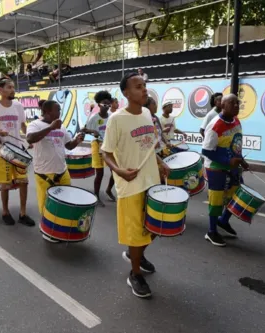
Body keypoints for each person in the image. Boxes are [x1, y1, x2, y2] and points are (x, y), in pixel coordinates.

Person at [101, 73, 170, 298]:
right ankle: (135, 274)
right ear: (126, 93)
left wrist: (159, 163)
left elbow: (149, 146)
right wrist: (118, 170)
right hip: (130, 185)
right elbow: (106, 152)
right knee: (135, 233)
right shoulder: (116, 119)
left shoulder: (148, 113)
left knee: (155, 226)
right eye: (138, 87)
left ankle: (135, 254)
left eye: (145, 86)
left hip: (151, 180)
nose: (144, 90)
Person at [26, 100, 84, 241]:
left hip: (62, 171)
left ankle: (60, 229)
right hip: (44, 173)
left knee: (65, 201)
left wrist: (76, 141)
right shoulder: (35, 124)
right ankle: (47, 231)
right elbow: (30, 139)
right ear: (47, 111)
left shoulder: (61, 127)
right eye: (57, 109)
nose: (60, 113)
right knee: (48, 204)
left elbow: (68, 146)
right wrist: (50, 128)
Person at [0, 78, 36, 227]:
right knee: (5, 184)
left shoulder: (18, 106)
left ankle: (23, 214)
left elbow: (23, 125)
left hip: (18, 149)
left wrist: (29, 139)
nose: (13, 90)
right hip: (1, 150)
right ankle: (5, 212)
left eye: (13, 87)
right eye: (9, 87)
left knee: (23, 182)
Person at [202, 94, 249, 247]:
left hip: (233, 166)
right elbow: (206, 151)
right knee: (216, 201)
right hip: (216, 167)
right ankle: (211, 231)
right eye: (232, 103)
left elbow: (237, 143)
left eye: (238, 102)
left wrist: (241, 160)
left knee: (236, 196)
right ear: (223, 105)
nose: (236, 105)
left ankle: (223, 221)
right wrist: (228, 161)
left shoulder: (236, 121)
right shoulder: (215, 125)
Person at [83, 90, 116, 206]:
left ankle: (108, 190)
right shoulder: (94, 118)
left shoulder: (112, 117)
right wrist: (93, 131)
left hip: (109, 145)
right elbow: (84, 129)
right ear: (98, 105)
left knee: (115, 172)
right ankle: (96, 195)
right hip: (97, 145)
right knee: (100, 173)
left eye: (108, 104)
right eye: (104, 104)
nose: (106, 106)